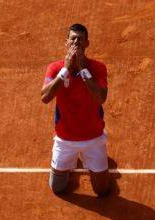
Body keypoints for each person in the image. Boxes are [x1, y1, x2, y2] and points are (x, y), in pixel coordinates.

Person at [41, 23, 110, 196]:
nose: (76, 43)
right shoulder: (55, 68)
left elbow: (100, 98)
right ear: (66, 43)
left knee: (102, 191)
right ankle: (72, 162)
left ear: (87, 43)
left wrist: (82, 69)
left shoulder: (98, 68)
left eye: (80, 39)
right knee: (57, 188)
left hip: (94, 138)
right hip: (65, 139)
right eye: (73, 39)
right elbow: (45, 97)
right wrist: (65, 70)